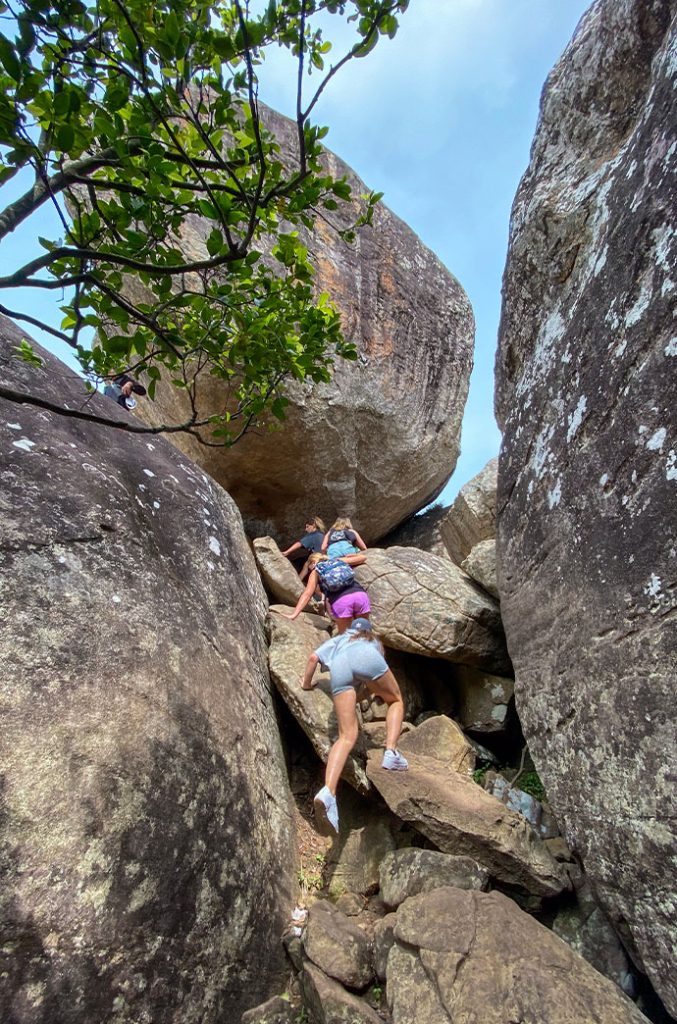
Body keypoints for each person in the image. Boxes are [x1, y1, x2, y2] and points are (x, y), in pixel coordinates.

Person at [301, 618, 408, 834]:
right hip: (366, 659)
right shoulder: (372, 642)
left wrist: (306, 684)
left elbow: (313, 658)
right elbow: (375, 684)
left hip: (339, 665)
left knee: (346, 736)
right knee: (396, 700)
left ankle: (328, 792)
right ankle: (391, 752)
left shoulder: (341, 639)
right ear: (368, 632)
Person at [283, 552, 370, 633]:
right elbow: (363, 557)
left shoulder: (316, 571)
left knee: (347, 638)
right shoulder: (338, 560)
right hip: (360, 595)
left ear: (312, 562)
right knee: (364, 633)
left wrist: (294, 615)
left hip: (342, 601)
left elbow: (307, 594)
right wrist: (351, 556)